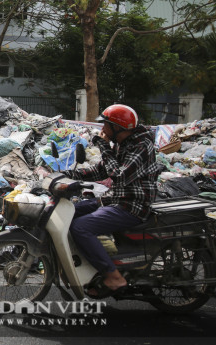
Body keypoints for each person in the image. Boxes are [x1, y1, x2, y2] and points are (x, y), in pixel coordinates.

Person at [62, 104, 158, 298]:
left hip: (132, 205)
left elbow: (119, 176)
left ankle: (113, 276)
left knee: (81, 227)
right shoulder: (125, 141)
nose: (102, 130)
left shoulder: (141, 145)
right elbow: (102, 170)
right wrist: (67, 175)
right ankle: (89, 266)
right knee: (70, 211)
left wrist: (104, 147)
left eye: (106, 125)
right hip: (116, 198)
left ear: (118, 127)